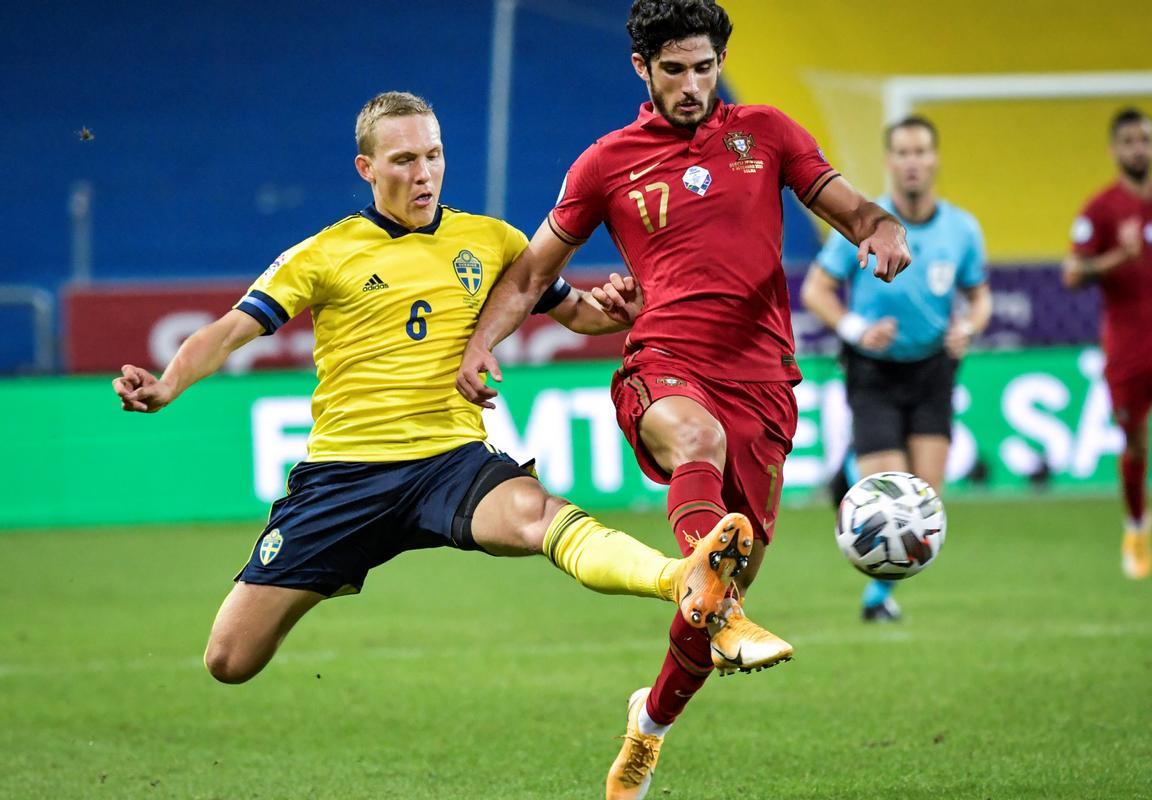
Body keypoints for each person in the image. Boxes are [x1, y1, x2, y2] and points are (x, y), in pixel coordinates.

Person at [111, 90, 757, 696]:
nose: (424, 174)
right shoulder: (325, 253)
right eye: (403, 160)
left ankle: (685, 578)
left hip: (450, 462)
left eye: (433, 155)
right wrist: (168, 384)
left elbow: (580, 313)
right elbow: (227, 332)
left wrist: (621, 308)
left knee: (538, 517)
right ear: (366, 167)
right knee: (229, 660)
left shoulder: (490, 241)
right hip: (345, 476)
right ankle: (330, 568)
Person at [454, 2, 911, 796]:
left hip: (765, 380)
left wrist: (881, 229)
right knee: (697, 449)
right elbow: (530, 273)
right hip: (663, 362)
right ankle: (719, 608)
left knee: (722, 585)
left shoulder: (766, 132)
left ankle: (650, 724)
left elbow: (850, 208)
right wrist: (481, 341)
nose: (693, 84)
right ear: (643, 67)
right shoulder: (606, 163)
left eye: (705, 67)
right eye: (675, 69)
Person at [803, 115, 991, 622]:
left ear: (934, 160)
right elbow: (815, 291)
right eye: (903, 153)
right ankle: (876, 598)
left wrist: (968, 327)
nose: (912, 162)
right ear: (890, 162)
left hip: (932, 369)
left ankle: (878, 585)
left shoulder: (962, 229)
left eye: (921, 152)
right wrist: (857, 328)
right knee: (886, 490)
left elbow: (980, 297)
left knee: (924, 504)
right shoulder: (866, 220)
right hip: (874, 370)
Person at [1063, 107, 1152, 579]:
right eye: (1129, 141)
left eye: (1145, 140)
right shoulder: (1099, 210)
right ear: (1114, 150)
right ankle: (1138, 524)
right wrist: (1117, 256)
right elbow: (1072, 273)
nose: (1138, 148)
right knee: (1136, 444)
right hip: (1126, 343)